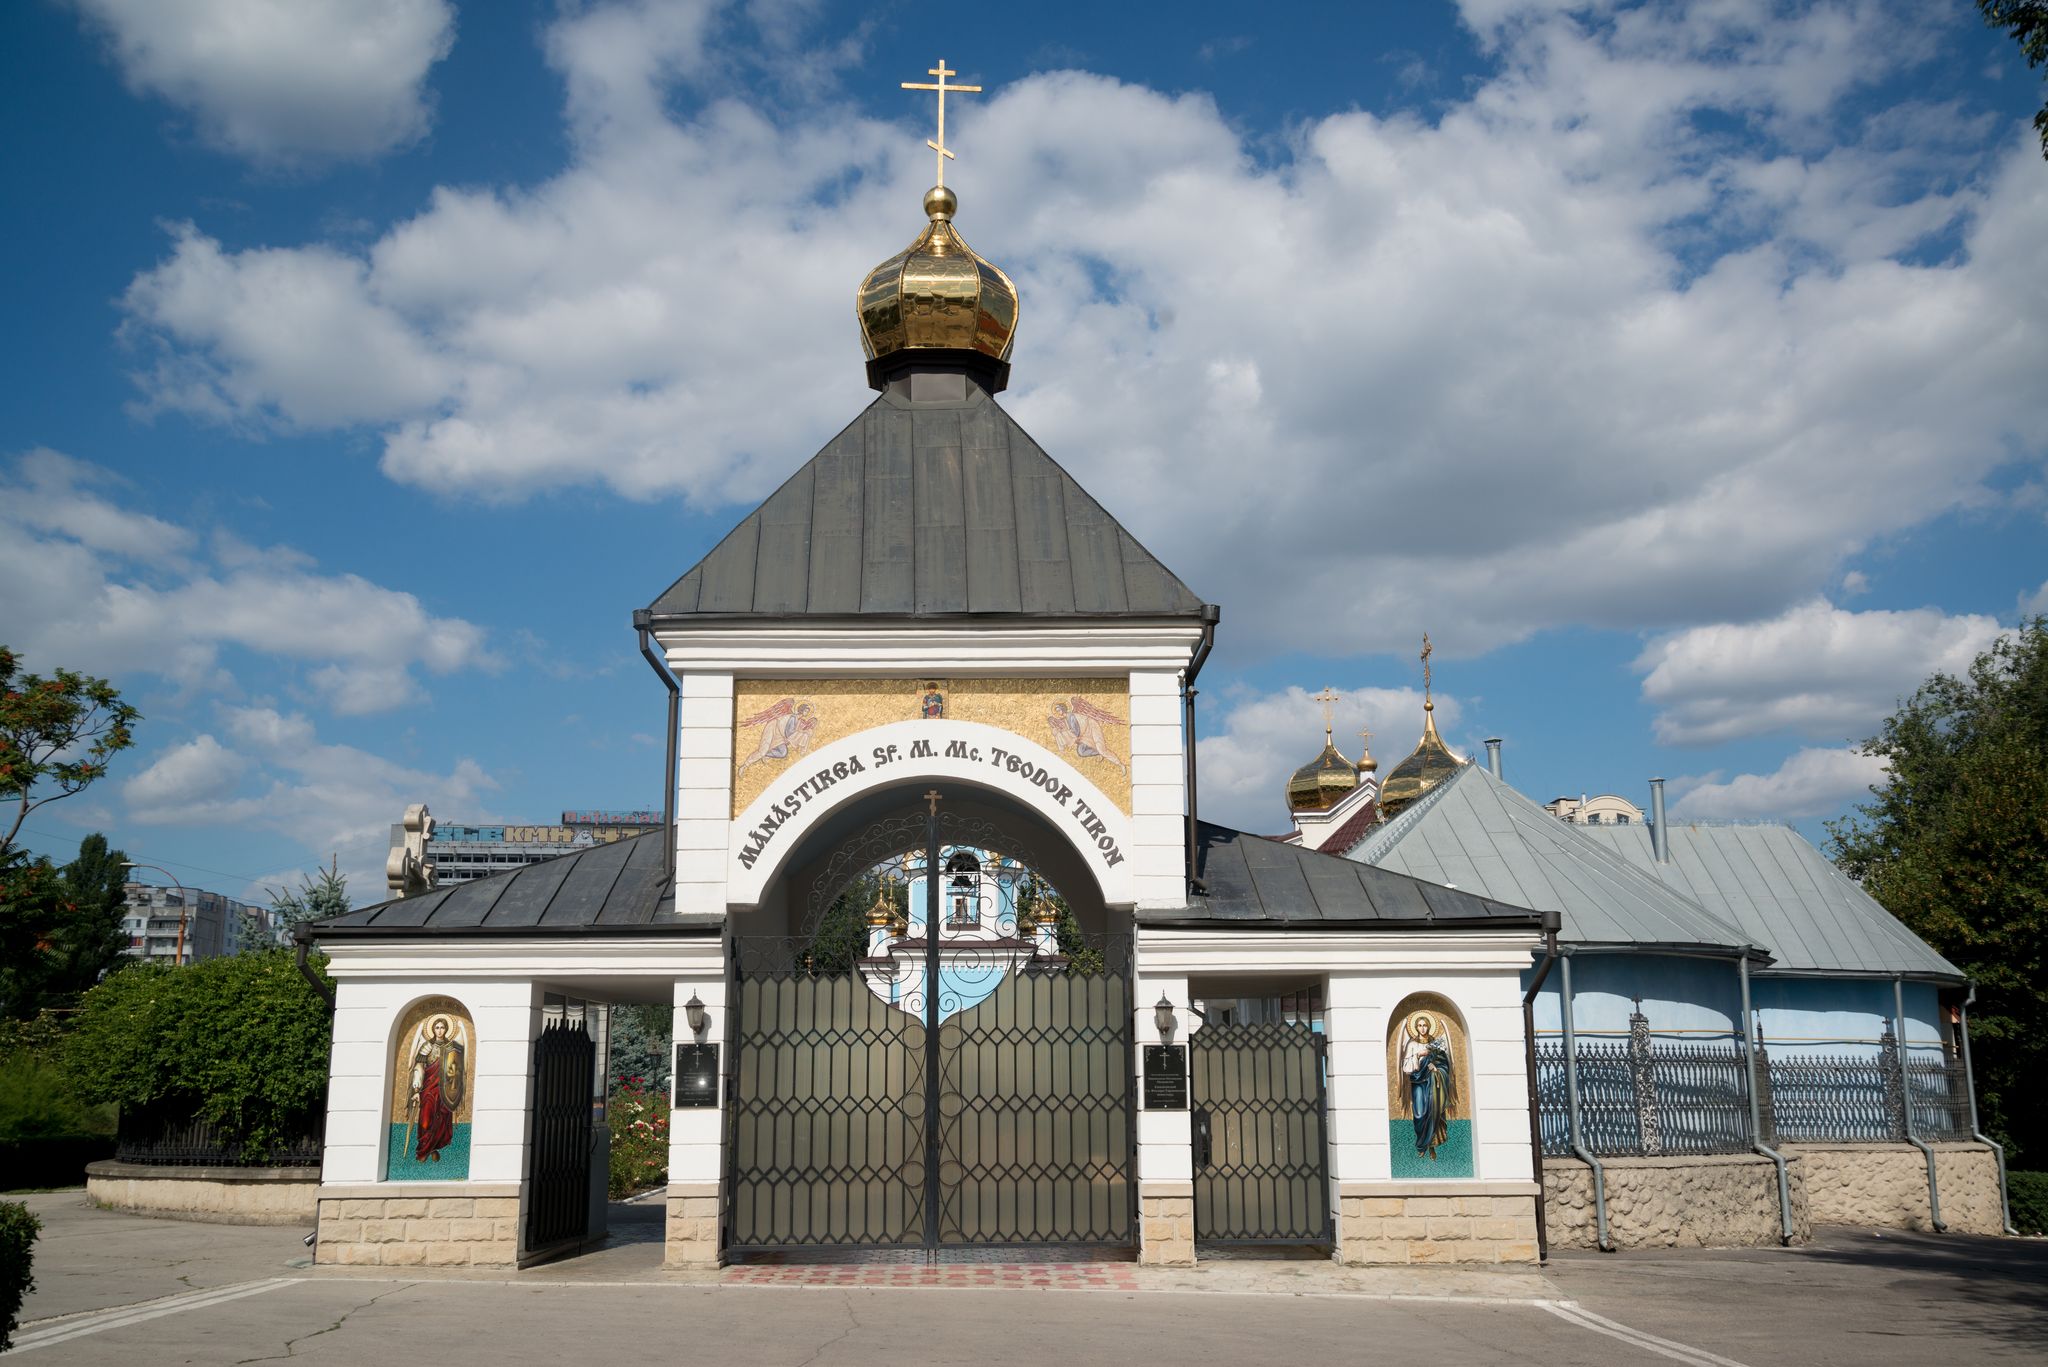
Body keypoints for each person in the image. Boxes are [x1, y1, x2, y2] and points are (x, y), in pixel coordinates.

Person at [407, 1016, 466, 1163]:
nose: (440, 1031)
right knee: (426, 1119)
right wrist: (415, 1090)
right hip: (428, 1089)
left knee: (441, 1120)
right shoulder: (427, 1046)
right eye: (437, 1027)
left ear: (446, 1030)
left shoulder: (452, 1048)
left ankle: (433, 1149)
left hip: (444, 1092)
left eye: (442, 1027)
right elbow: (419, 1068)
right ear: (433, 1029)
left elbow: (455, 1070)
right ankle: (423, 1149)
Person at [1399, 1013, 1455, 1159]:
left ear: (1429, 1026)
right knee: (1419, 1114)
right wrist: (1418, 1055)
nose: (1422, 1028)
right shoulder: (1412, 1044)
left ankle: (1431, 1146)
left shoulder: (1435, 1043)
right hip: (1418, 1083)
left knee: (1433, 1112)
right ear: (1416, 1027)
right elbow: (1406, 1067)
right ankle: (1421, 1144)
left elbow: (1443, 1063)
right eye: (1419, 1025)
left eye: (1425, 1025)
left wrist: (1435, 1068)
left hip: (1434, 1084)